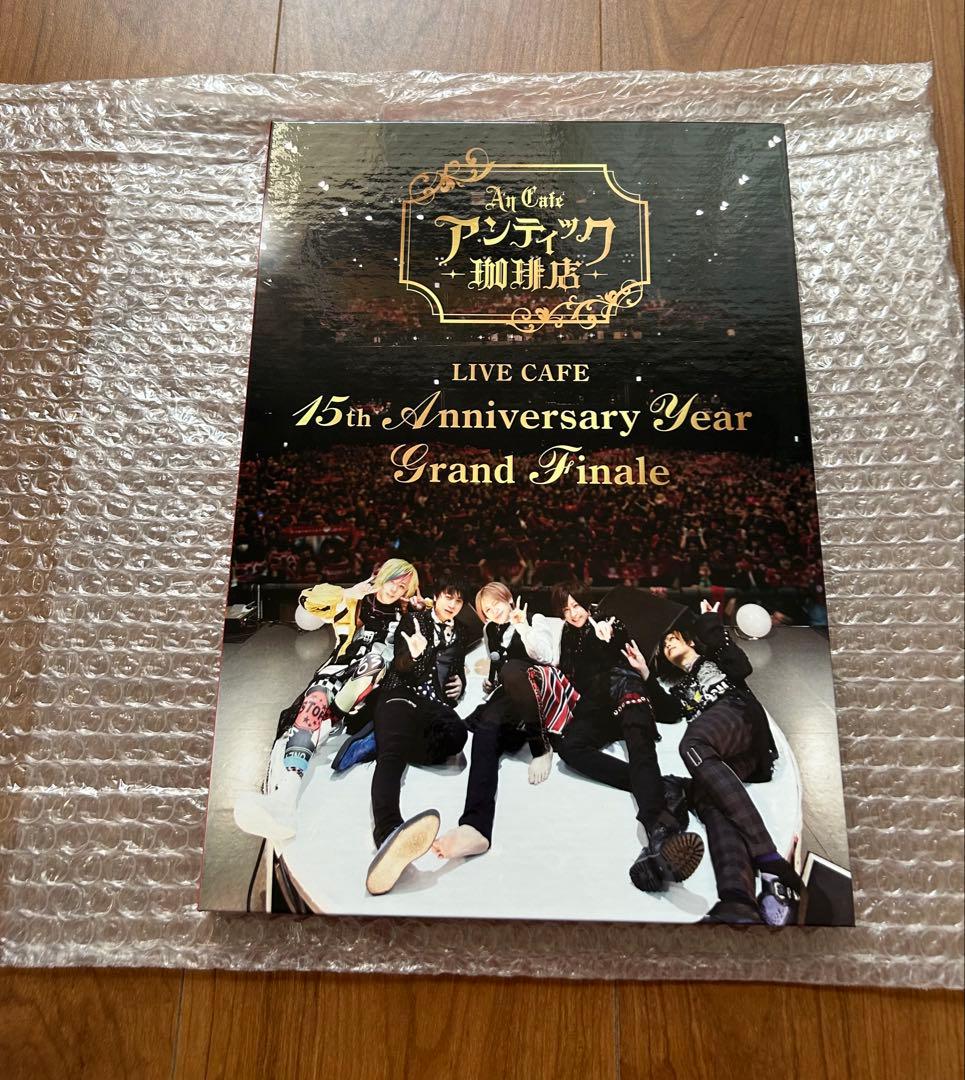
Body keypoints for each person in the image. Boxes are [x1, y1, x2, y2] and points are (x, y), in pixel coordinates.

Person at [623, 601, 802, 924]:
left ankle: (768, 856)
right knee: (709, 801)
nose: (669, 645)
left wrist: (710, 624)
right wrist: (647, 675)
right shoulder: (681, 690)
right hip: (730, 756)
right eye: (665, 646)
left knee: (693, 743)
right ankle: (737, 900)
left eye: (674, 639)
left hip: (741, 718)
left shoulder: (713, 660)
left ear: (690, 641)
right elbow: (667, 712)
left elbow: (741, 668)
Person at [233, 558, 420, 845]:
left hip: (372, 683)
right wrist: (347, 592)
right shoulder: (353, 601)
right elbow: (308, 600)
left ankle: (333, 714)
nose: (396, 589)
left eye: (403, 586)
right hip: (337, 670)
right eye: (393, 580)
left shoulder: (407, 614)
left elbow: (436, 620)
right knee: (314, 701)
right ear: (381, 576)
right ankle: (284, 802)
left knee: (374, 661)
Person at [550, 583, 705, 893]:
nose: (573, 614)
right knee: (569, 747)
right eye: (566, 610)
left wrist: (609, 639)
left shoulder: (607, 622)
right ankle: (664, 787)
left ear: (587, 603)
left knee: (640, 748)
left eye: (576, 606)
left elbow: (616, 643)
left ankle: (658, 833)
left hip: (626, 690)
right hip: (598, 708)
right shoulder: (565, 636)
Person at [433, 582, 575, 861]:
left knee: (511, 670)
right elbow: (497, 666)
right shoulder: (490, 630)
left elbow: (548, 657)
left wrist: (522, 627)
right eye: (487, 610)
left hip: (541, 687)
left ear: (508, 598)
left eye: (496, 603)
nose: (493, 611)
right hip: (510, 694)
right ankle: (475, 826)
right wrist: (490, 682)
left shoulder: (534, 618)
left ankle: (541, 747)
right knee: (485, 730)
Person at [365, 579, 472, 895]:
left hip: (431, 705)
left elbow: (457, 667)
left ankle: (392, 739)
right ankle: (388, 833)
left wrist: (461, 684)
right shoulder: (414, 620)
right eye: (448, 597)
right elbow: (400, 665)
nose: (452, 604)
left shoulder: (460, 632)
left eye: (458, 600)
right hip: (400, 694)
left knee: (457, 736)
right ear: (436, 596)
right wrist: (413, 655)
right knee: (392, 758)